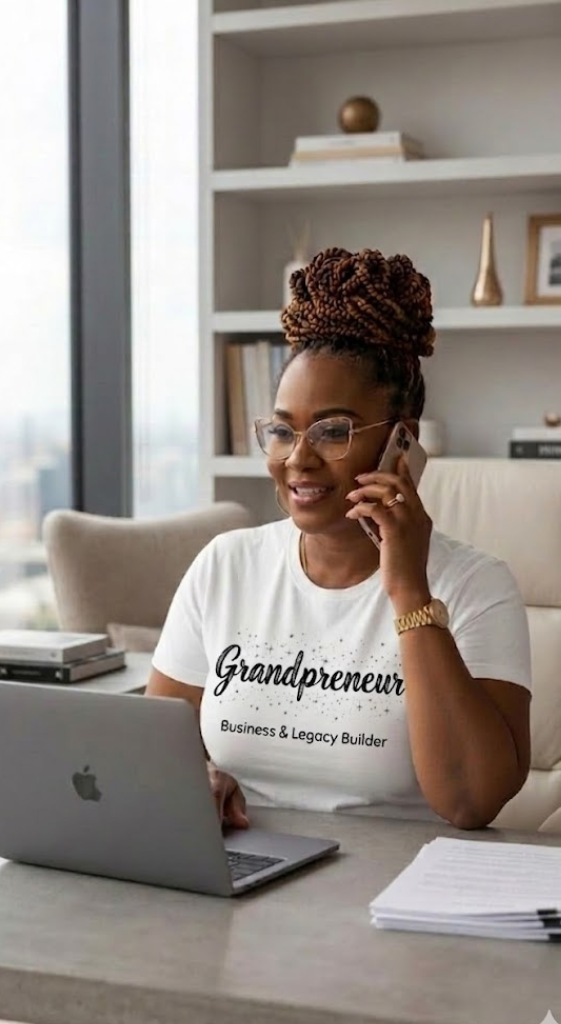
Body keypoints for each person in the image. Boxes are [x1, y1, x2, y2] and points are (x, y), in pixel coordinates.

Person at [146, 246, 532, 831]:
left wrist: (408, 593)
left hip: (394, 891)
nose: (297, 460)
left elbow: (471, 801)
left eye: (332, 432)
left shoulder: (477, 586)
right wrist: (195, 775)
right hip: (239, 878)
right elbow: (151, 753)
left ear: (401, 442)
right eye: (282, 431)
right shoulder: (226, 566)